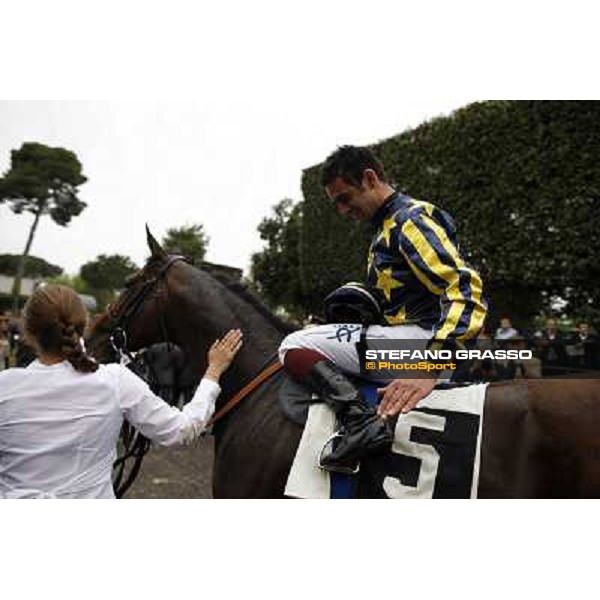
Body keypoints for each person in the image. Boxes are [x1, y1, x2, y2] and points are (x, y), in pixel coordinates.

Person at [278, 145, 487, 471]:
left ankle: (360, 423)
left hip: (423, 348)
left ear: (370, 178)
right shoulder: (387, 228)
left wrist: (429, 367)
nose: (342, 210)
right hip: (414, 341)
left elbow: (464, 288)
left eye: (344, 198)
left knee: (294, 343)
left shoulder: (409, 219)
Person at [0, 285, 242, 499]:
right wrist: (213, 371)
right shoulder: (115, 381)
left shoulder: (5, 385)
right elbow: (181, 430)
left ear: (28, 333)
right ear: (83, 327)